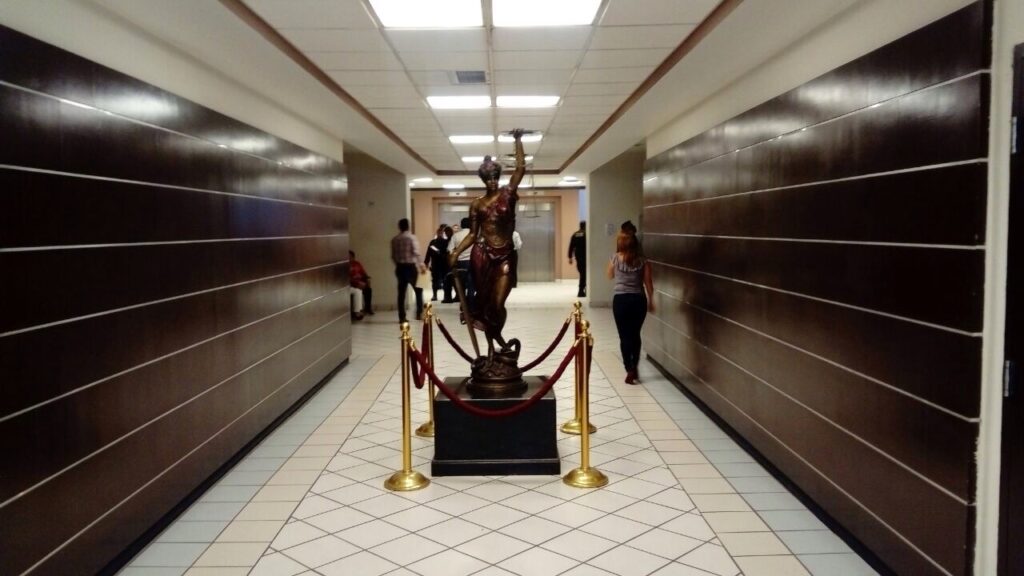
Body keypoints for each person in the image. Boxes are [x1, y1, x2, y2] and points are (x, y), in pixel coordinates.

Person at [449, 128, 527, 359]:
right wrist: (456, 252)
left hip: (505, 255)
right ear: (483, 180)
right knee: (485, 304)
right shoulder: (477, 204)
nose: (492, 181)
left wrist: (518, 140)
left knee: (498, 303)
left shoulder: (508, 193)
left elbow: (520, 169)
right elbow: (473, 235)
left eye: (495, 177)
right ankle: (493, 346)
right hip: (482, 255)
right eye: (488, 178)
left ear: (498, 177)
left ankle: (499, 339)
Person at [607, 230, 654, 384]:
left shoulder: (615, 258)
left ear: (620, 244)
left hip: (621, 300)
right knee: (635, 334)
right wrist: (651, 301)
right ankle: (635, 365)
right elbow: (648, 284)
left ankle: (629, 368)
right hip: (638, 300)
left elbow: (609, 275)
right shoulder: (643, 261)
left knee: (624, 336)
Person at [391, 218, 425, 323]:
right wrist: (422, 265)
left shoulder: (395, 239)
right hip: (411, 267)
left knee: (401, 293)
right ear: (408, 226)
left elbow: (393, 256)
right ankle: (419, 313)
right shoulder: (412, 238)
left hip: (400, 267)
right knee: (418, 290)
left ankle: (402, 317)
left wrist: (398, 264)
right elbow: (416, 252)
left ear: (399, 227)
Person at [448, 216, 474, 302]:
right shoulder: (474, 235)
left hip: (460, 262)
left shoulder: (455, 236)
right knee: (471, 284)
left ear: (461, 225)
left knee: (461, 284)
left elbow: (450, 250)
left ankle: (463, 304)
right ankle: (471, 303)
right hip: (473, 262)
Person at [424, 225, 452, 302]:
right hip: (437, 264)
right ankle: (436, 295)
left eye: (441, 233)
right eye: (439, 232)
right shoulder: (434, 242)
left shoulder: (444, 242)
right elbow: (428, 253)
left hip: (442, 264)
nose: (440, 234)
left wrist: (440, 253)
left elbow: (447, 252)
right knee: (436, 280)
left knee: (443, 280)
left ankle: (443, 296)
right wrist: (426, 262)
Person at [348, 250, 373, 320]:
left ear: (353, 257)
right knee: (358, 290)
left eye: (350, 257)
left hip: (360, 282)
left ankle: (367, 309)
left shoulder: (357, 263)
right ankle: (357, 312)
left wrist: (367, 279)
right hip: (352, 284)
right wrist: (357, 283)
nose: (349, 258)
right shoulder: (344, 265)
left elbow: (364, 273)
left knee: (368, 290)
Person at [568, 221, 586, 297]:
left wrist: (570, 257)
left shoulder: (575, 234)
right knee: (584, 274)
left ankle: (582, 290)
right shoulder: (586, 234)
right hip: (586, 256)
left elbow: (571, 246)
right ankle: (581, 291)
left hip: (578, 256)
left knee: (582, 273)